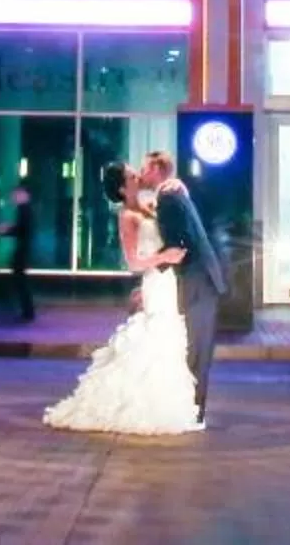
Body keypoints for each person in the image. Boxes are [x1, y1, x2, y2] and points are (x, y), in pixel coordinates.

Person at [43, 162, 198, 435]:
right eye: (131, 175)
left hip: (167, 281)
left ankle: (161, 402)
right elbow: (133, 263)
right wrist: (165, 257)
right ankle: (141, 406)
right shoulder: (128, 215)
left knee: (166, 338)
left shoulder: (147, 208)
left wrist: (180, 187)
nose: (138, 175)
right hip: (156, 280)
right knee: (155, 338)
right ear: (122, 188)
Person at [144, 151, 227, 429]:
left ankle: (192, 412)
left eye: (146, 168)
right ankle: (190, 408)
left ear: (157, 169)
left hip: (196, 280)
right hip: (200, 278)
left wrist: (150, 266)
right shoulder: (174, 195)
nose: (143, 174)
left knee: (196, 350)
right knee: (195, 349)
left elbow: (180, 246)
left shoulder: (167, 198)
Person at [0, 184, 38, 324]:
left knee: (20, 280)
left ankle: (28, 312)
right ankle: (27, 311)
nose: (13, 197)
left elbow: (22, 229)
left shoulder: (24, 209)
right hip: (23, 249)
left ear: (24, 195)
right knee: (20, 280)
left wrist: (6, 230)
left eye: (16, 194)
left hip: (22, 250)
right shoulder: (25, 209)